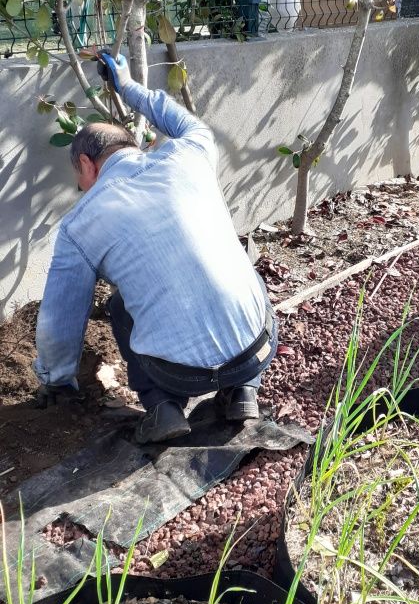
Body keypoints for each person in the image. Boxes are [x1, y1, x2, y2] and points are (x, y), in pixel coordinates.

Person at [33, 51, 277, 443]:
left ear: (86, 162)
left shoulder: (80, 224)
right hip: (255, 349)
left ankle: (162, 406)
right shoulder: (192, 152)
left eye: (79, 177)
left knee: (118, 307)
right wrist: (128, 87)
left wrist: (56, 380)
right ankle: (243, 390)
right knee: (244, 270)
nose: (81, 188)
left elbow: (59, 323)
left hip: (177, 374)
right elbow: (178, 117)